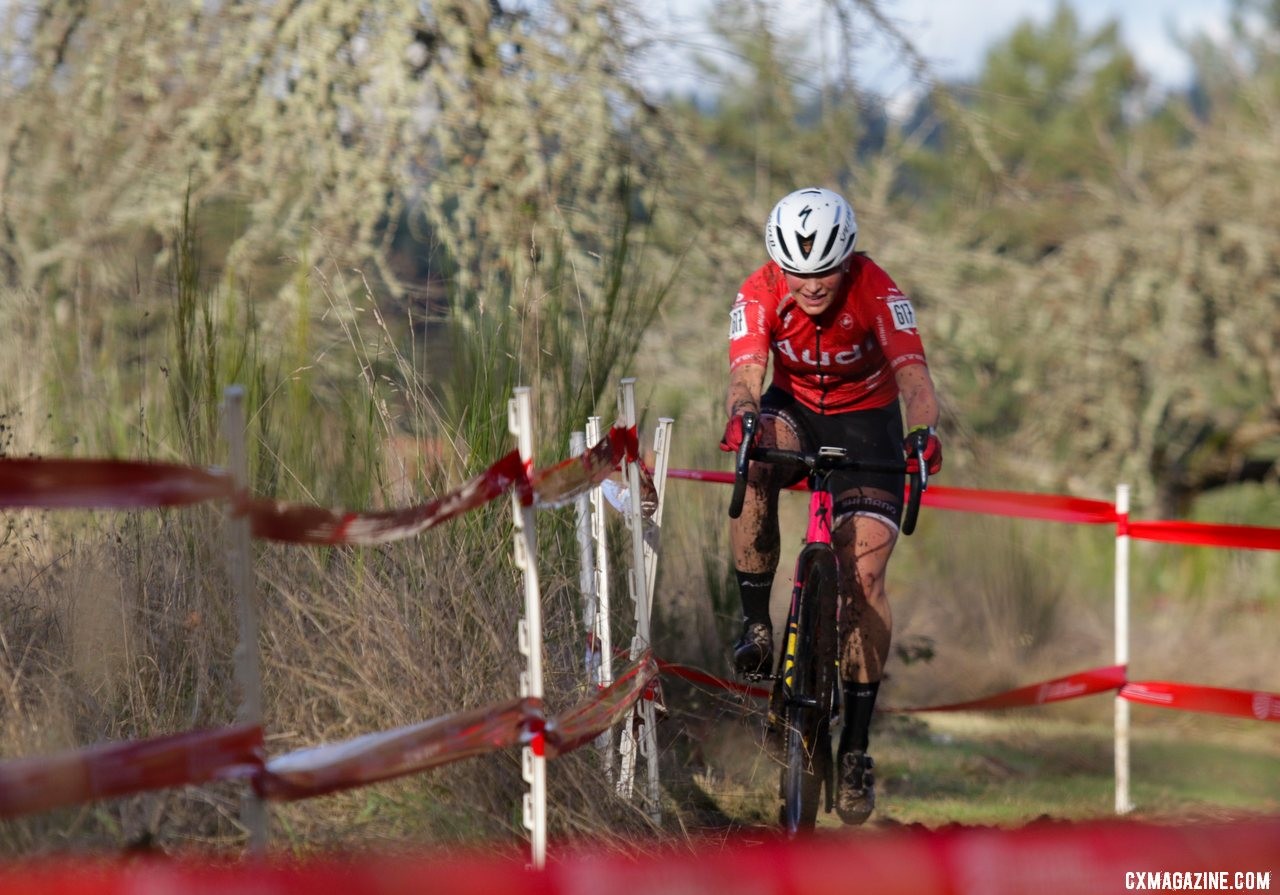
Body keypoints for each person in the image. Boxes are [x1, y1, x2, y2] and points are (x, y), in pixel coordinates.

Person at [720, 186, 943, 825]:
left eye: (824, 272)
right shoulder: (757, 290)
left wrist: (922, 433)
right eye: (798, 272)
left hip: (869, 424)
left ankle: (854, 747)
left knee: (865, 578)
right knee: (756, 457)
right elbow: (744, 374)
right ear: (777, 263)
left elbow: (915, 379)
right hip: (794, 414)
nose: (811, 285)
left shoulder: (878, 289)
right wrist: (743, 415)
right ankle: (757, 624)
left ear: (847, 261)